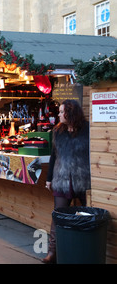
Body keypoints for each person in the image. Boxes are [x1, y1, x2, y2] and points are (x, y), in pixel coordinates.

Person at [42, 99, 90, 264]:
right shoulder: (58, 131)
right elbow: (54, 155)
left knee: (87, 215)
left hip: (83, 179)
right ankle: (52, 252)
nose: (59, 115)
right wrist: (49, 179)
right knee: (58, 215)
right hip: (61, 178)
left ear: (71, 113)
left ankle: (84, 249)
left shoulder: (87, 130)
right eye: (60, 112)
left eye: (62, 112)